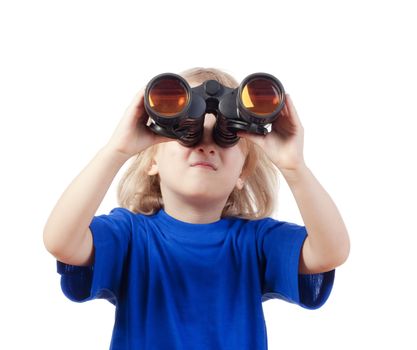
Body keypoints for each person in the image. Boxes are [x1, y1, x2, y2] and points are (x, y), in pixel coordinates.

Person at [43, 67, 350, 349]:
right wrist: (116, 150)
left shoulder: (256, 242)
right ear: (152, 160)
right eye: (185, 134)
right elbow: (61, 242)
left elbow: (330, 252)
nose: (206, 146)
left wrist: (294, 167)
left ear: (243, 173)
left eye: (226, 137)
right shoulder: (130, 236)